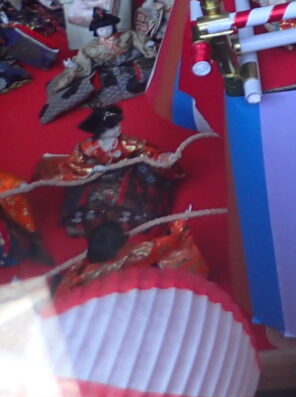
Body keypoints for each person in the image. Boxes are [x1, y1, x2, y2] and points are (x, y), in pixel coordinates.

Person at [37, 106, 183, 237]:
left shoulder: (127, 143)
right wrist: (92, 169)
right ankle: (86, 223)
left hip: (124, 176)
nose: (118, 128)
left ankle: (133, 221)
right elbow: (74, 163)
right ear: (101, 131)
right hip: (94, 177)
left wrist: (164, 158)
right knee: (83, 200)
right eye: (112, 126)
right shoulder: (86, 147)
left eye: (117, 124)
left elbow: (147, 151)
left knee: (134, 198)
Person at [40, 9, 155, 124]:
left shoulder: (127, 35)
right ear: (96, 32)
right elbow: (84, 61)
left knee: (151, 76)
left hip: (131, 64)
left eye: (108, 28)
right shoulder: (91, 47)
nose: (105, 32)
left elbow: (139, 40)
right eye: (101, 30)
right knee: (90, 91)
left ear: (113, 27)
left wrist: (147, 45)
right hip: (108, 71)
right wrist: (74, 65)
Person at [55, 219, 208, 294]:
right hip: (129, 294)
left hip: (100, 299)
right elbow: (162, 247)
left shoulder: (78, 271)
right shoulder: (132, 257)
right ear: (119, 247)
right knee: (181, 254)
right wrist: (178, 229)